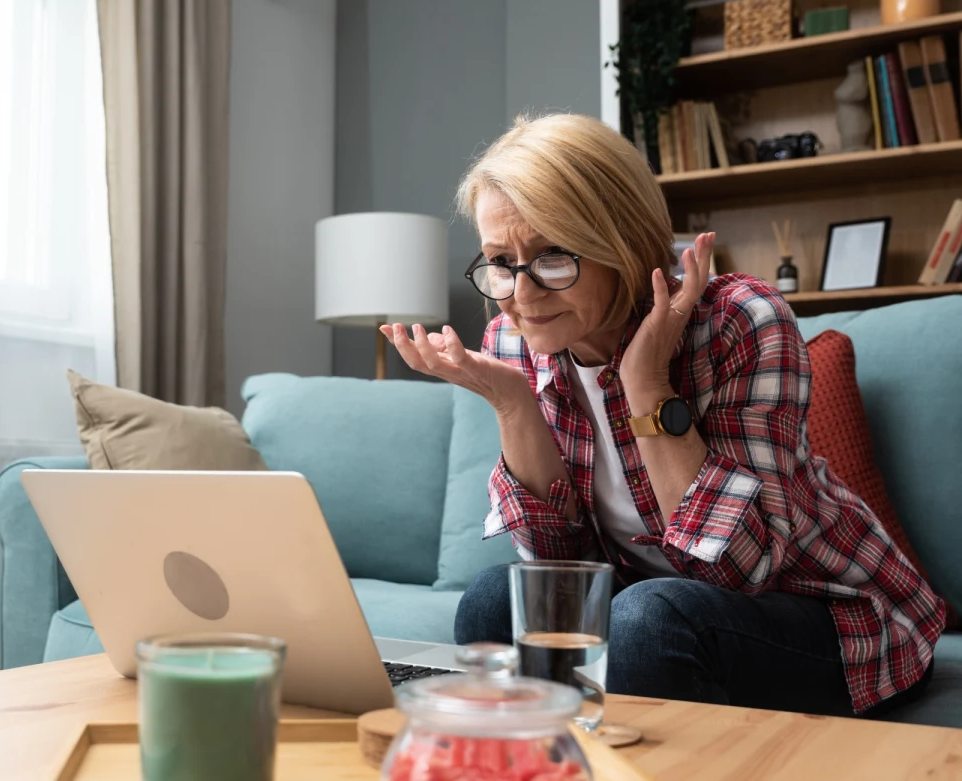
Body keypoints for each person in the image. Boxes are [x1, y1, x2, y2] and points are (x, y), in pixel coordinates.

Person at [380, 113, 943, 718]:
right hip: (661, 603)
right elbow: (556, 566)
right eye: (500, 261)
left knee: (650, 619)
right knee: (497, 600)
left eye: (552, 256)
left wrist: (646, 384)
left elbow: (738, 567)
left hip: (830, 614)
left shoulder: (738, 321)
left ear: (621, 243)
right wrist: (511, 403)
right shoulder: (514, 341)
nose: (521, 293)